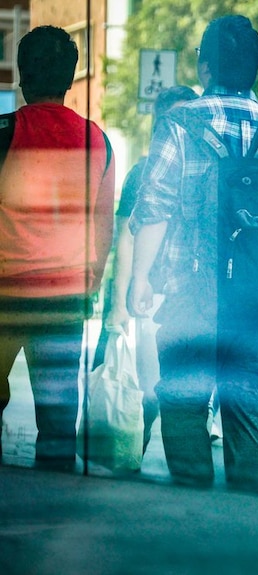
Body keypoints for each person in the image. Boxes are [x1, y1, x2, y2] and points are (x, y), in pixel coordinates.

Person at [128, 15, 258, 492]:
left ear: (206, 65)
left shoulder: (178, 125)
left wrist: (139, 279)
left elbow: (154, 207)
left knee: (182, 399)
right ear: (254, 69)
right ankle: (247, 516)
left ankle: (194, 510)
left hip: (190, 290)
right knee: (252, 400)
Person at [0, 25, 115, 471]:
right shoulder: (98, 141)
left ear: (22, 76)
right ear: (70, 81)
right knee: (58, 424)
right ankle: (56, 514)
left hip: (6, 296)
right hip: (64, 299)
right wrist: (90, 287)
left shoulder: (6, 131)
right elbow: (101, 228)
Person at [93, 85, 199, 455]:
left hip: (194, 294)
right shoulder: (144, 171)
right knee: (152, 386)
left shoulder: (206, 165)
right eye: (172, 118)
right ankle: (135, 446)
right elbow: (126, 237)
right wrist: (120, 302)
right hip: (150, 295)